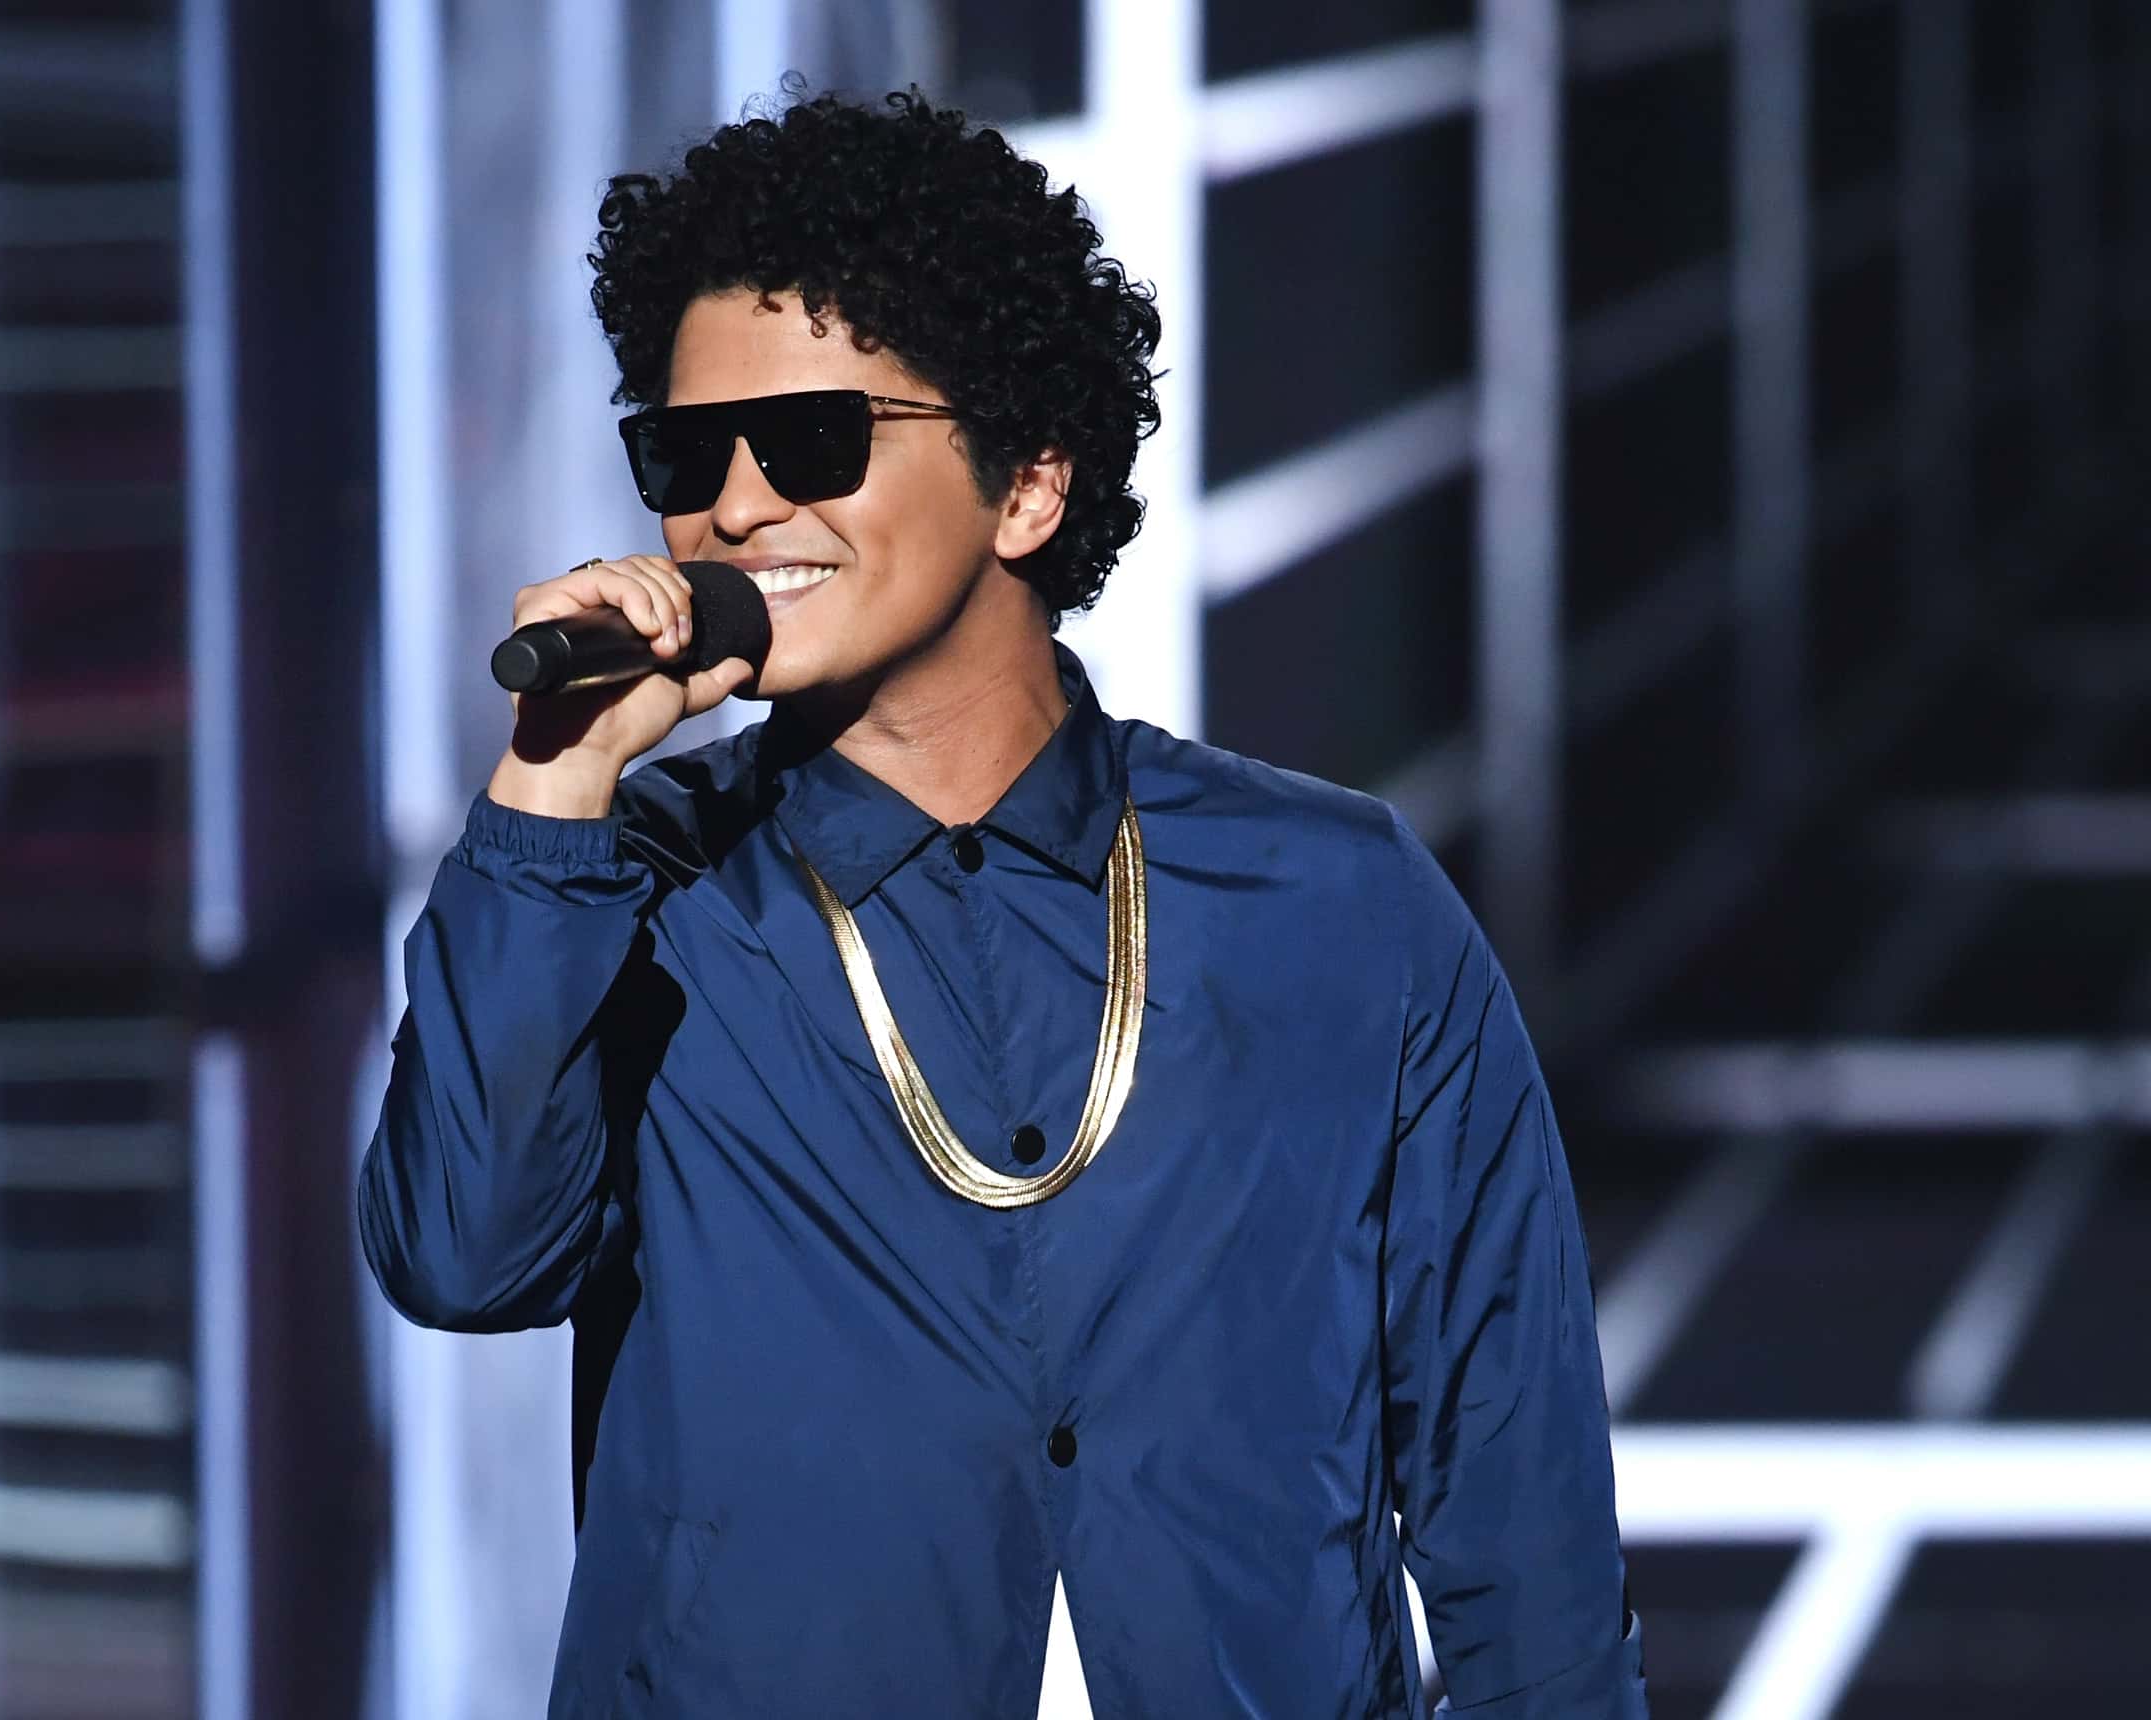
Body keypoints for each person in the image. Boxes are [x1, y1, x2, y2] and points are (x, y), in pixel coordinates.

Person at [358, 88, 1646, 1719]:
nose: (736, 507)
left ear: (1028, 482)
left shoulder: (1332, 902)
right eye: (687, 455)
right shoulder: (630, 893)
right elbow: (463, 1262)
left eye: (814, 439)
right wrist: (552, 788)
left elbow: (1512, 1494)